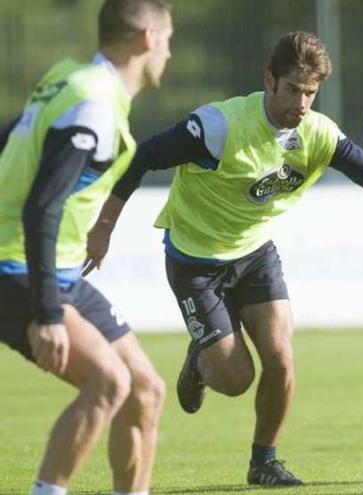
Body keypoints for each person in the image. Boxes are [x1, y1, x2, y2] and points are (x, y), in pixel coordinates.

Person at [84, 31, 363, 487]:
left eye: (311, 93)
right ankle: (201, 360)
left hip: (256, 254)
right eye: (294, 90)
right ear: (269, 80)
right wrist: (103, 229)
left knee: (281, 359)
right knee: (237, 377)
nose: (302, 103)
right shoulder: (220, 128)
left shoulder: (316, 132)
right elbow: (142, 157)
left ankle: (264, 462)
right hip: (195, 261)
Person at [0, 1, 173, 494]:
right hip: (17, 265)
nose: (168, 52)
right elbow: (42, 205)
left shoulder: (70, 78)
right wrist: (48, 314)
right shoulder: (92, 104)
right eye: (167, 39)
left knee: (145, 390)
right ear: (145, 38)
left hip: (58, 270)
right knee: (109, 383)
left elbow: (11, 139)